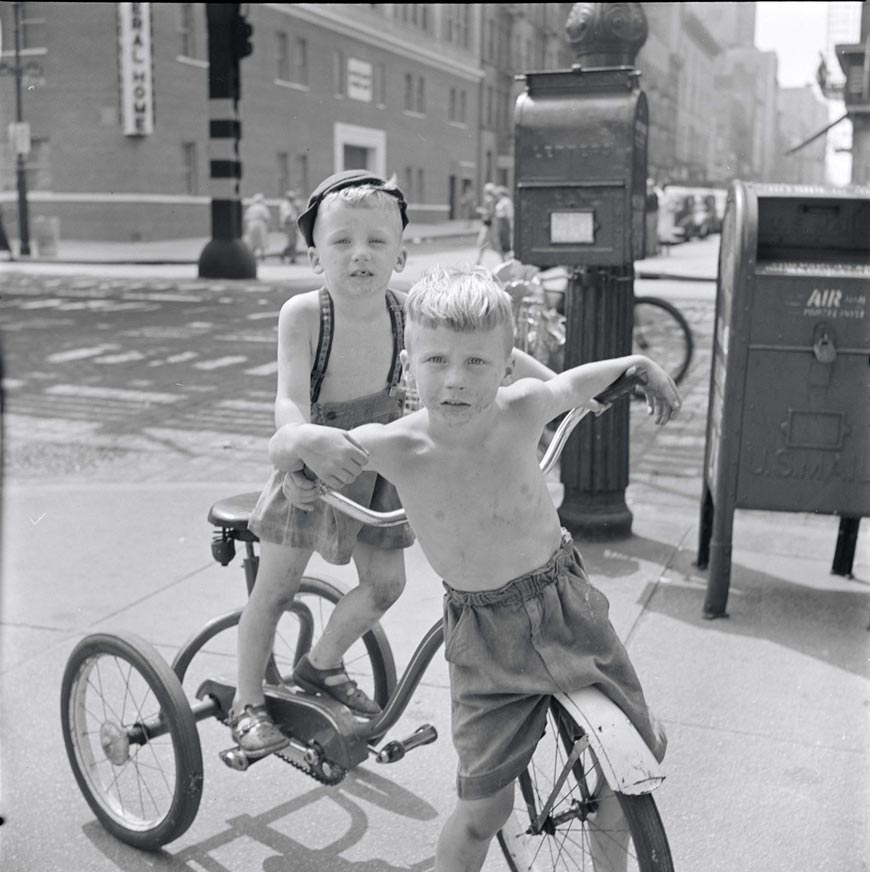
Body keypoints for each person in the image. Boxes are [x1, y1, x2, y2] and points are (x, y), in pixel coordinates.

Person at [268, 266, 680, 872]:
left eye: (477, 363)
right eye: (436, 361)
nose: (455, 381)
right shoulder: (394, 443)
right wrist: (302, 452)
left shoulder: (521, 407)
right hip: (485, 637)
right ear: (409, 367)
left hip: (565, 602)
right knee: (482, 810)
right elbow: (283, 448)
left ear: (507, 367)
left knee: (626, 777)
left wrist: (639, 365)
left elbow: (572, 384)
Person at [231, 172, 555, 758]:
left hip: (379, 469)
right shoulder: (305, 314)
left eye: (377, 242)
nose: (361, 254)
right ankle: (247, 700)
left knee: (385, 584)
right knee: (274, 588)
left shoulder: (407, 312)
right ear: (313, 256)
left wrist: (561, 388)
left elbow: (495, 347)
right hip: (314, 468)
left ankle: (320, 665)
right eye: (342, 242)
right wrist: (302, 443)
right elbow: (287, 400)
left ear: (400, 254)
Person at [473, 183, 506, 266]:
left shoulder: (489, 199)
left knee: (485, 241)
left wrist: (480, 210)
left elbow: (490, 212)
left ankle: (503, 260)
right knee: (488, 242)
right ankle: (479, 260)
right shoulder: (493, 199)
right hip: (490, 223)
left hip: (489, 224)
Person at [243, 193, 271, 260]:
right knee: (261, 240)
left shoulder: (251, 208)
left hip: (251, 224)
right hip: (260, 224)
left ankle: (252, 255)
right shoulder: (263, 208)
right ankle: (262, 255)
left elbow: (246, 217)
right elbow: (267, 217)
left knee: (252, 240)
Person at [279, 190, 301, 263]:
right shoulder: (285, 205)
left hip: (293, 224)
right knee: (291, 242)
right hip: (288, 224)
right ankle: (284, 254)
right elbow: (287, 215)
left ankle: (293, 258)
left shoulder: (292, 204)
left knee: (294, 242)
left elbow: (297, 212)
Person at [493, 186, 513, 259]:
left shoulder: (506, 201)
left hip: (504, 221)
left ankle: (506, 258)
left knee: (505, 240)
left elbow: (509, 213)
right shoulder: (501, 201)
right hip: (500, 221)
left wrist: (509, 222)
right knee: (500, 239)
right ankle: (503, 258)